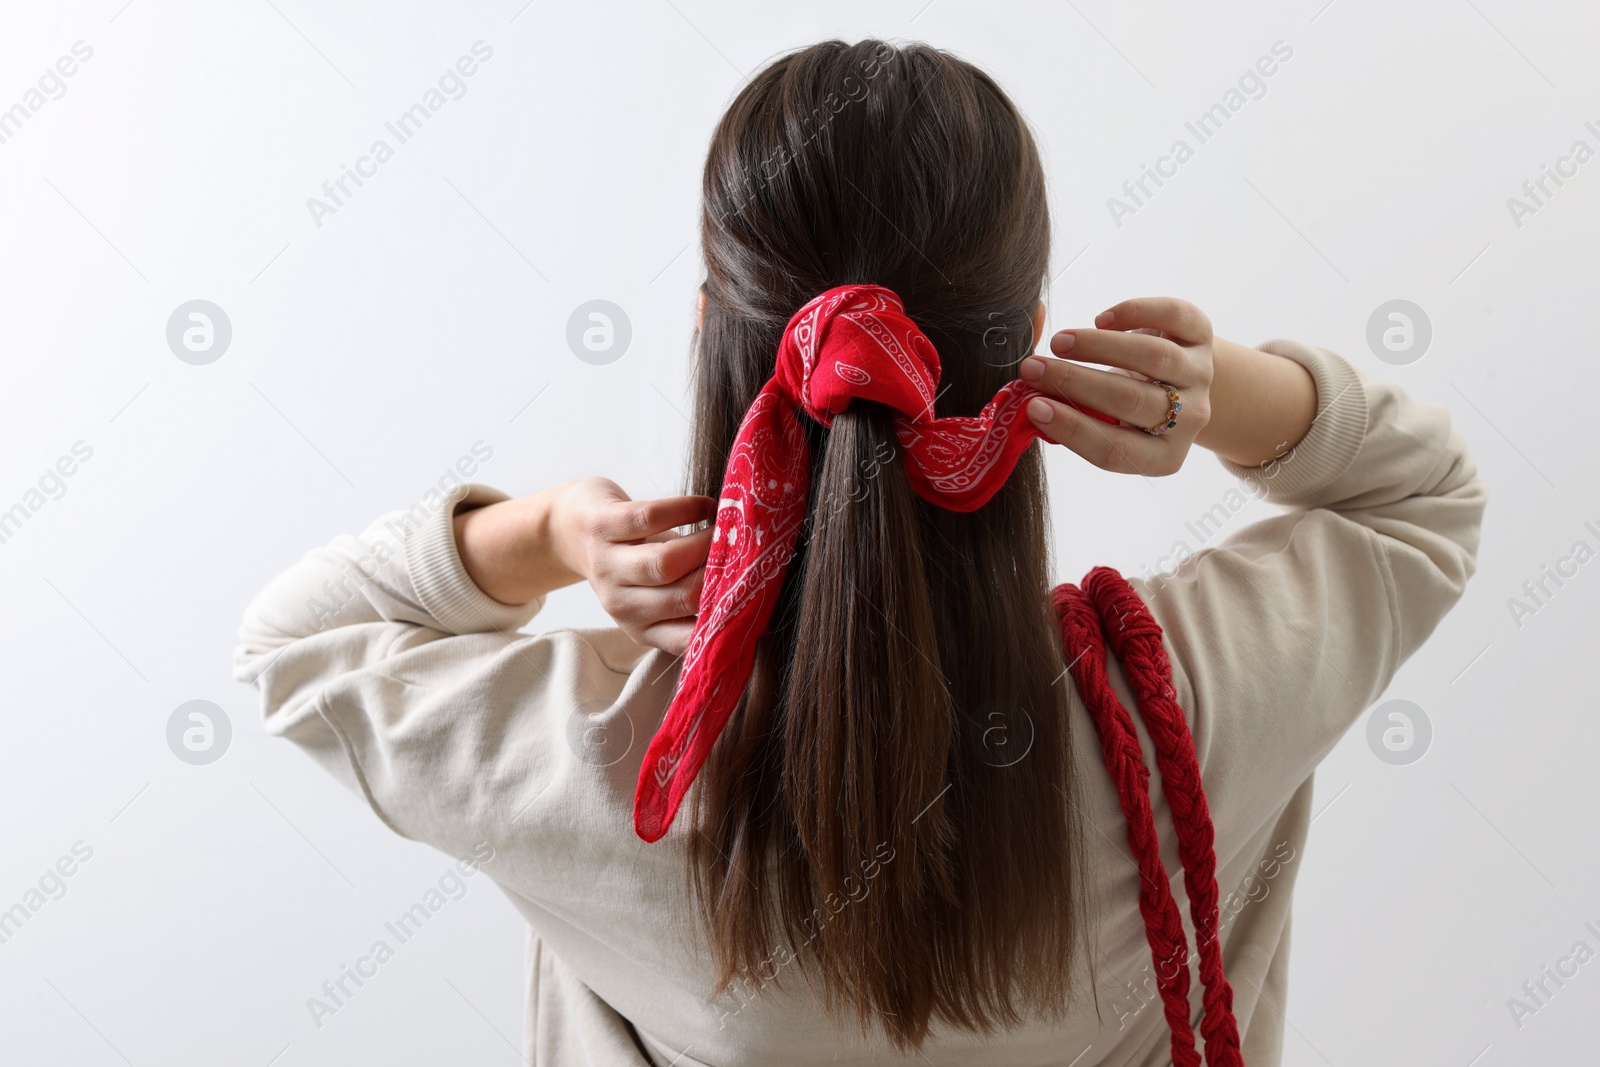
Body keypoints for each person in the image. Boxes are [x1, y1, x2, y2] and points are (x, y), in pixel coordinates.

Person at [234, 39, 1485, 1066]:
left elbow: (294, 644)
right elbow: (1422, 498)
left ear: (712, 329)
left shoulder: (605, 762)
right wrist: (1217, 398)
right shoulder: (1182, 704)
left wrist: (549, 532)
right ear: (1033, 334)